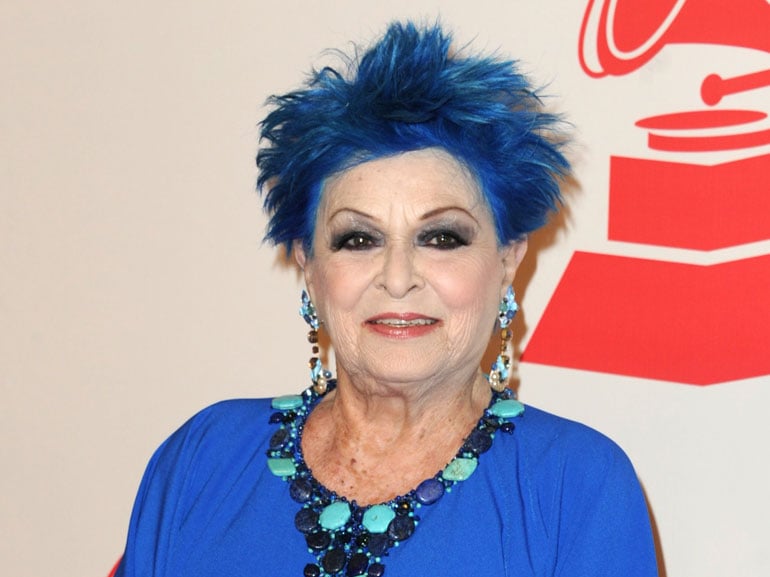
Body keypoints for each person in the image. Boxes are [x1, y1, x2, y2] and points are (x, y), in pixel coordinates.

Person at [114, 21, 658, 577]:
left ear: (507, 260)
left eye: (441, 238)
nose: (397, 279)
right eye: (358, 239)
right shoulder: (203, 459)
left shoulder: (574, 487)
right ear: (308, 263)